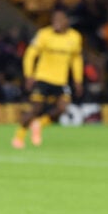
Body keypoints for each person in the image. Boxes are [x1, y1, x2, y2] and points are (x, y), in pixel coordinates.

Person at [12, 8, 83, 149]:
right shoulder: (44, 34)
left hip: (61, 80)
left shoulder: (75, 37)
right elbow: (30, 54)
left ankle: (39, 124)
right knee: (36, 109)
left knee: (62, 108)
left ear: (66, 21)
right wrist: (29, 75)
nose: (56, 22)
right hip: (42, 78)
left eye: (59, 19)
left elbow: (76, 60)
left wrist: (78, 80)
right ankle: (19, 136)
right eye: (54, 19)